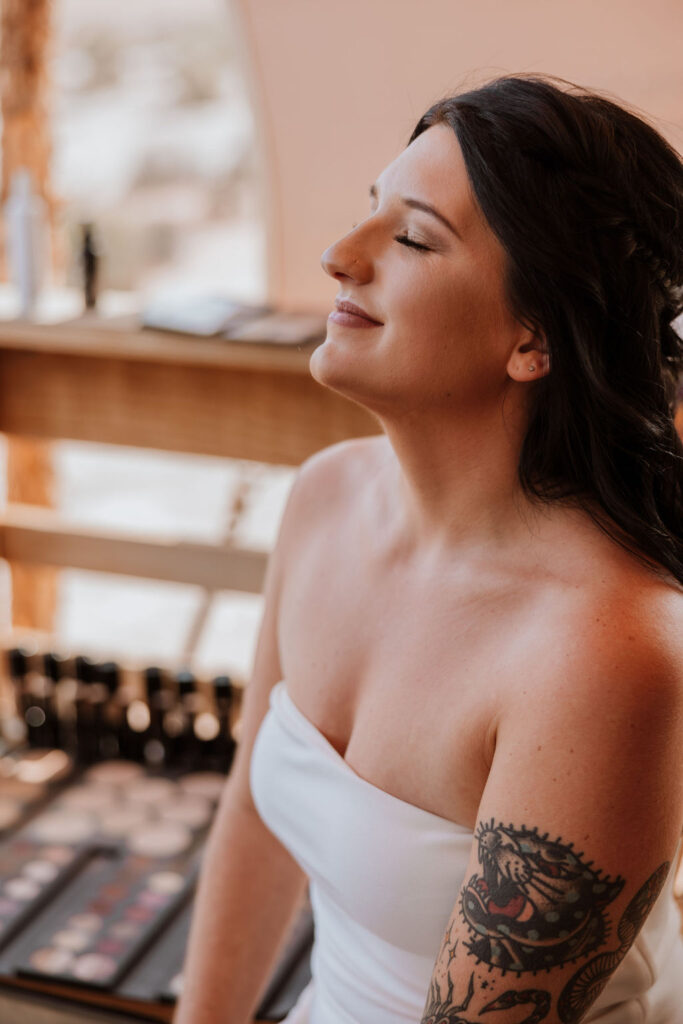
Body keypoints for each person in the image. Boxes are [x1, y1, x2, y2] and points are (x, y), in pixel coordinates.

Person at [175, 74, 683, 1024]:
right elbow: (254, 810)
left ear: (533, 337)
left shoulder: (605, 656)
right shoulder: (325, 496)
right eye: (371, 209)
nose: (338, 256)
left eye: (410, 237)